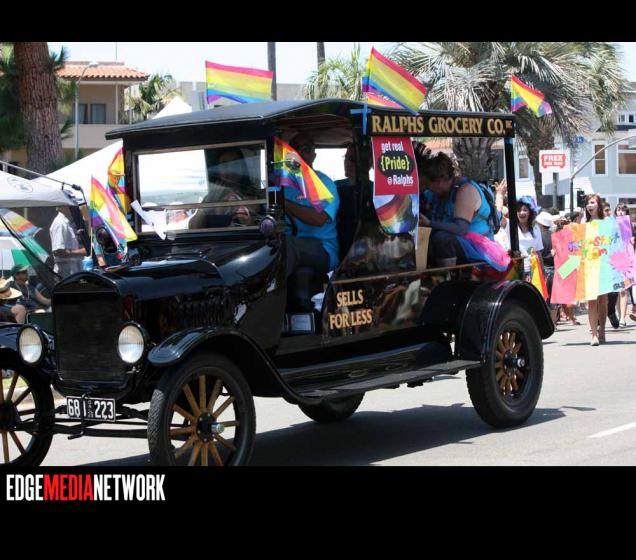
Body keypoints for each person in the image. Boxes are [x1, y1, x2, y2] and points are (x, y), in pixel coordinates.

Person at [415, 147, 496, 267]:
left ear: (439, 181)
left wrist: (430, 223)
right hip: (454, 247)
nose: (427, 188)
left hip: (477, 248)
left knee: (442, 239)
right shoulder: (434, 194)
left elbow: (460, 229)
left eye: (428, 184)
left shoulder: (466, 190)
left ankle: (448, 274)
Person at [283, 132, 340, 278]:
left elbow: (318, 219)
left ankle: (273, 291)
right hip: (288, 242)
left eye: (305, 149)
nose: (299, 154)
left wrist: (284, 203)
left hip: (321, 247)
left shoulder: (325, 183)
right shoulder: (283, 185)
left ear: (314, 155)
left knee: (286, 246)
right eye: (294, 149)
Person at [189, 148, 254, 229]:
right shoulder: (212, 197)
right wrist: (207, 204)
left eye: (235, 164)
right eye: (224, 165)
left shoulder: (254, 195)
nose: (230, 169)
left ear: (242, 167)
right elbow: (193, 227)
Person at [582, 194, 608, 345]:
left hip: (603, 266)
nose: (590, 205)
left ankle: (602, 330)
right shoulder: (583, 225)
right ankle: (594, 335)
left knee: (603, 300)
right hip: (589, 266)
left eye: (592, 202)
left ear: (598, 205)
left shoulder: (606, 224)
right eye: (588, 203)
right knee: (592, 300)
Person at [505, 196, 543, 280]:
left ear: (530, 212)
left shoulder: (536, 228)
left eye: (525, 210)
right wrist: (500, 196)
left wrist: (542, 272)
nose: (521, 213)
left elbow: (538, 252)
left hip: (533, 270)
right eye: (518, 210)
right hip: (515, 269)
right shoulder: (510, 226)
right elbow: (500, 217)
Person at [50, 206, 87, 278]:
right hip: (65, 271)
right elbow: (58, 251)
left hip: (73, 269)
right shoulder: (59, 223)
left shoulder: (67, 222)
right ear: (62, 207)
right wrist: (81, 251)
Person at [535, 211, 559, 324]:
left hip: (543, 269)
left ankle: (545, 323)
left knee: (543, 298)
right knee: (554, 299)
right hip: (556, 269)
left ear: (540, 223)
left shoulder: (538, 236)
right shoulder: (555, 235)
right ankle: (553, 323)